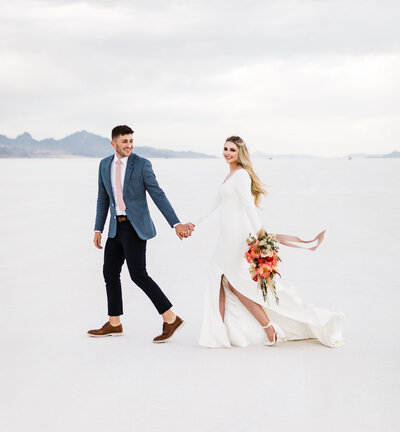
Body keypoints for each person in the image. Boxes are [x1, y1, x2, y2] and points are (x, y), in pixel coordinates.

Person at [194, 136, 345, 348]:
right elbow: (215, 202)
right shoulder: (229, 175)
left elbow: (249, 207)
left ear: (240, 153)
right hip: (225, 238)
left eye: (232, 150)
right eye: (225, 149)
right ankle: (220, 333)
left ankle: (268, 328)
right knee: (219, 279)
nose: (227, 153)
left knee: (237, 285)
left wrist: (260, 236)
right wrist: (193, 223)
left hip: (237, 238)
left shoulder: (241, 176)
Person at [87, 125, 194, 342]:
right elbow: (103, 198)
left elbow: (158, 194)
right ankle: (114, 322)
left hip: (135, 228)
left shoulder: (142, 164)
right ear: (113, 143)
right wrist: (98, 228)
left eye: (131, 141)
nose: (129, 145)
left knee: (138, 274)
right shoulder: (104, 164)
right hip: (115, 228)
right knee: (110, 273)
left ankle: (170, 318)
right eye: (124, 141)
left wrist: (176, 224)